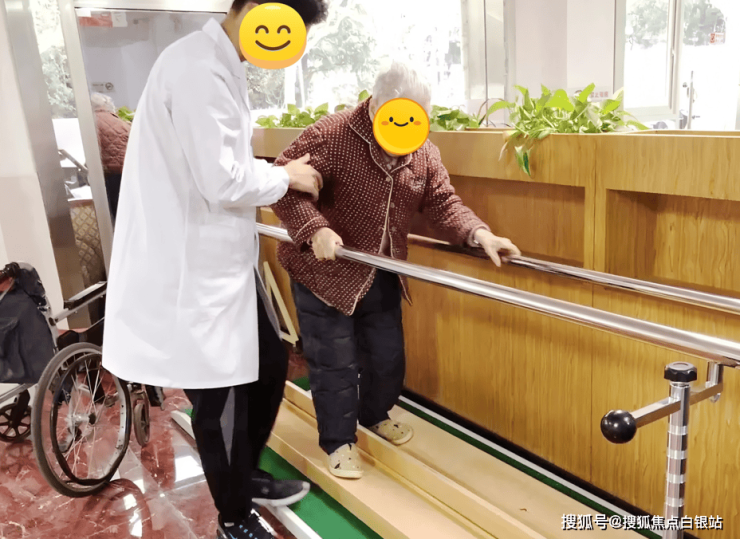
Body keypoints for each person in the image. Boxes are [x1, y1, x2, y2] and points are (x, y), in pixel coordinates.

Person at [101, 2, 328, 538]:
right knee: (221, 394)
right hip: (193, 268)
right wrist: (286, 177)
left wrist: (271, 175)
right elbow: (221, 179)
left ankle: (242, 475)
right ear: (252, 8)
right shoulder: (199, 69)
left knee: (269, 363)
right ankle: (233, 517)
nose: (282, 42)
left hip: (220, 261)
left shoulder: (219, 63)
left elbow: (220, 162)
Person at [272, 61, 520, 479]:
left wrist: (481, 235)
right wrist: (315, 229)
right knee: (334, 363)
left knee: (387, 359)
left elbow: (443, 202)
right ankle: (339, 442)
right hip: (324, 273)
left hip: (381, 271)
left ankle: (373, 415)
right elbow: (281, 185)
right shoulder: (331, 135)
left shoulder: (424, 152)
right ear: (375, 107)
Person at [90, 92, 130, 222]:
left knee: (112, 212)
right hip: (126, 171)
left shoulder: (92, 122)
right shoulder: (120, 122)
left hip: (108, 173)